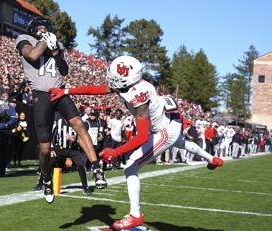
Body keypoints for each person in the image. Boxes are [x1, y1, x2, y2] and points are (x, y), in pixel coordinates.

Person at [49, 55, 224, 230]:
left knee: (131, 166)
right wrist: (66, 91)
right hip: (170, 122)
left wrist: (116, 152)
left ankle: (135, 215)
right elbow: (99, 89)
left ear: (127, 79)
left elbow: (142, 137)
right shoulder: (129, 85)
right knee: (182, 143)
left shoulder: (139, 96)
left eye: (115, 78)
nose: (110, 80)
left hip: (164, 130)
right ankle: (212, 159)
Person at [15, 16, 107, 203]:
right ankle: (46, 177)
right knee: (45, 148)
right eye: (39, 28)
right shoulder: (24, 39)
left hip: (59, 91)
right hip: (41, 94)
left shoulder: (56, 43)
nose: (42, 30)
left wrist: (56, 51)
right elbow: (32, 55)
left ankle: (97, 168)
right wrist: (44, 41)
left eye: (45, 28)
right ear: (33, 30)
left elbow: (64, 71)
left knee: (79, 124)